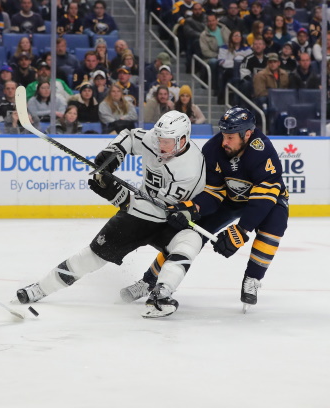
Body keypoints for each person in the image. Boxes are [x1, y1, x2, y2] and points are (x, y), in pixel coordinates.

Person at [16, 111, 205, 318]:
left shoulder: (191, 169)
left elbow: (160, 207)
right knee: (91, 256)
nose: (160, 145)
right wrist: (114, 153)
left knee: (191, 241)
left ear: (183, 140)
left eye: (166, 142)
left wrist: (119, 197)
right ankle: (41, 288)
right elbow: (131, 137)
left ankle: (161, 294)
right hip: (138, 216)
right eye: (159, 139)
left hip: (169, 219)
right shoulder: (155, 138)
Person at [124, 107, 288, 312]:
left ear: (247, 134)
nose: (224, 142)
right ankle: (149, 281)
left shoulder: (263, 151)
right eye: (223, 135)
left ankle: (252, 278)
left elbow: (264, 198)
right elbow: (213, 191)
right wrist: (192, 208)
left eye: (230, 137)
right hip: (228, 199)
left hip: (268, 199)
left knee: (275, 225)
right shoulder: (213, 149)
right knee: (188, 235)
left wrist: (242, 229)